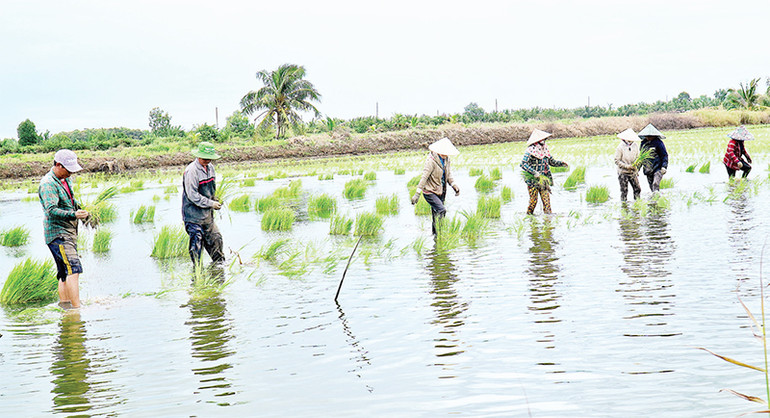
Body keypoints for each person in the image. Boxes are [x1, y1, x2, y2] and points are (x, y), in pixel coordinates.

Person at [38, 149, 89, 309]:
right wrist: (74, 214)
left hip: (68, 232)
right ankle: (77, 310)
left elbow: (70, 202)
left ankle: (66, 308)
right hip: (58, 234)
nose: (70, 173)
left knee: (64, 273)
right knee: (74, 269)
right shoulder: (48, 184)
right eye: (68, 170)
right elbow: (51, 210)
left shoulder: (65, 180)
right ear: (58, 165)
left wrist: (82, 211)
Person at [182, 141, 224, 265]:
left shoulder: (210, 168)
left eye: (209, 158)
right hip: (193, 216)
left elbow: (212, 188)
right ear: (198, 156)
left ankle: (219, 271)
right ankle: (197, 273)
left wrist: (215, 200)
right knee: (197, 245)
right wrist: (211, 203)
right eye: (204, 158)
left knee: (216, 239)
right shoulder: (191, 171)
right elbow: (192, 195)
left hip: (207, 215)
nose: (207, 161)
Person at [411, 137, 460, 235]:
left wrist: (454, 185)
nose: (446, 154)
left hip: (441, 190)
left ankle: (436, 235)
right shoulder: (431, 161)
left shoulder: (446, 159)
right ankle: (441, 233)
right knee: (442, 210)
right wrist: (417, 193)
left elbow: (448, 174)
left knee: (436, 214)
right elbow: (424, 177)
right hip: (429, 192)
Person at [520, 129, 568, 214]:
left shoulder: (544, 149)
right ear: (536, 141)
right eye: (541, 139)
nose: (543, 141)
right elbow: (523, 164)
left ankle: (548, 221)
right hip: (533, 181)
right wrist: (534, 172)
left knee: (547, 203)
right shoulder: (530, 150)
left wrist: (561, 163)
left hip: (543, 180)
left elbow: (551, 162)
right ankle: (529, 218)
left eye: (544, 139)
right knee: (533, 202)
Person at [638, 123, 668, 193]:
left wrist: (664, 166)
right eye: (646, 136)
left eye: (649, 136)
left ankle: (657, 200)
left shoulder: (658, 143)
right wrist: (637, 169)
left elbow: (664, 155)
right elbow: (641, 157)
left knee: (655, 184)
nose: (648, 137)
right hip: (648, 169)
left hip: (658, 168)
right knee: (651, 187)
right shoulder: (643, 143)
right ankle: (655, 201)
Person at [614, 128, 642, 201]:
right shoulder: (620, 147)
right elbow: (617, 160)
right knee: (624, 191)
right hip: (623, 172)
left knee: (637, 189)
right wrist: (627, 166)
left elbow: (638, 157)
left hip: (632, 172)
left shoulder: (635, 145)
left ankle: (637, 204)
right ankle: (624, 207)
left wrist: (636, 165)